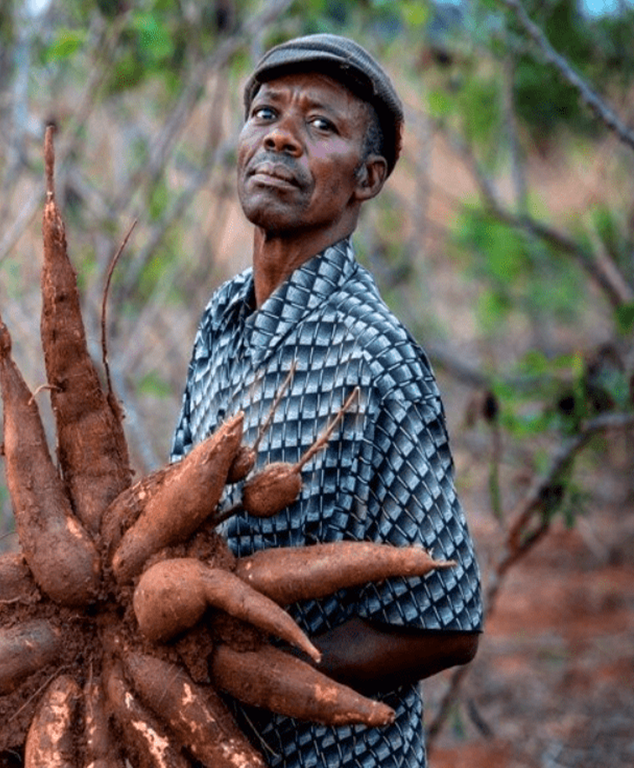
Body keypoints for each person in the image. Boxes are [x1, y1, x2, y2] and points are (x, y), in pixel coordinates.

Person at [169, 34, 483, 767]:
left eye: (321, 126)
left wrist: (265, 672)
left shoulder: (374, 358)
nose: (279, 135)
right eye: (265, 113)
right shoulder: (221, 320)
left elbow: (451, 625)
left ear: (367, 178)